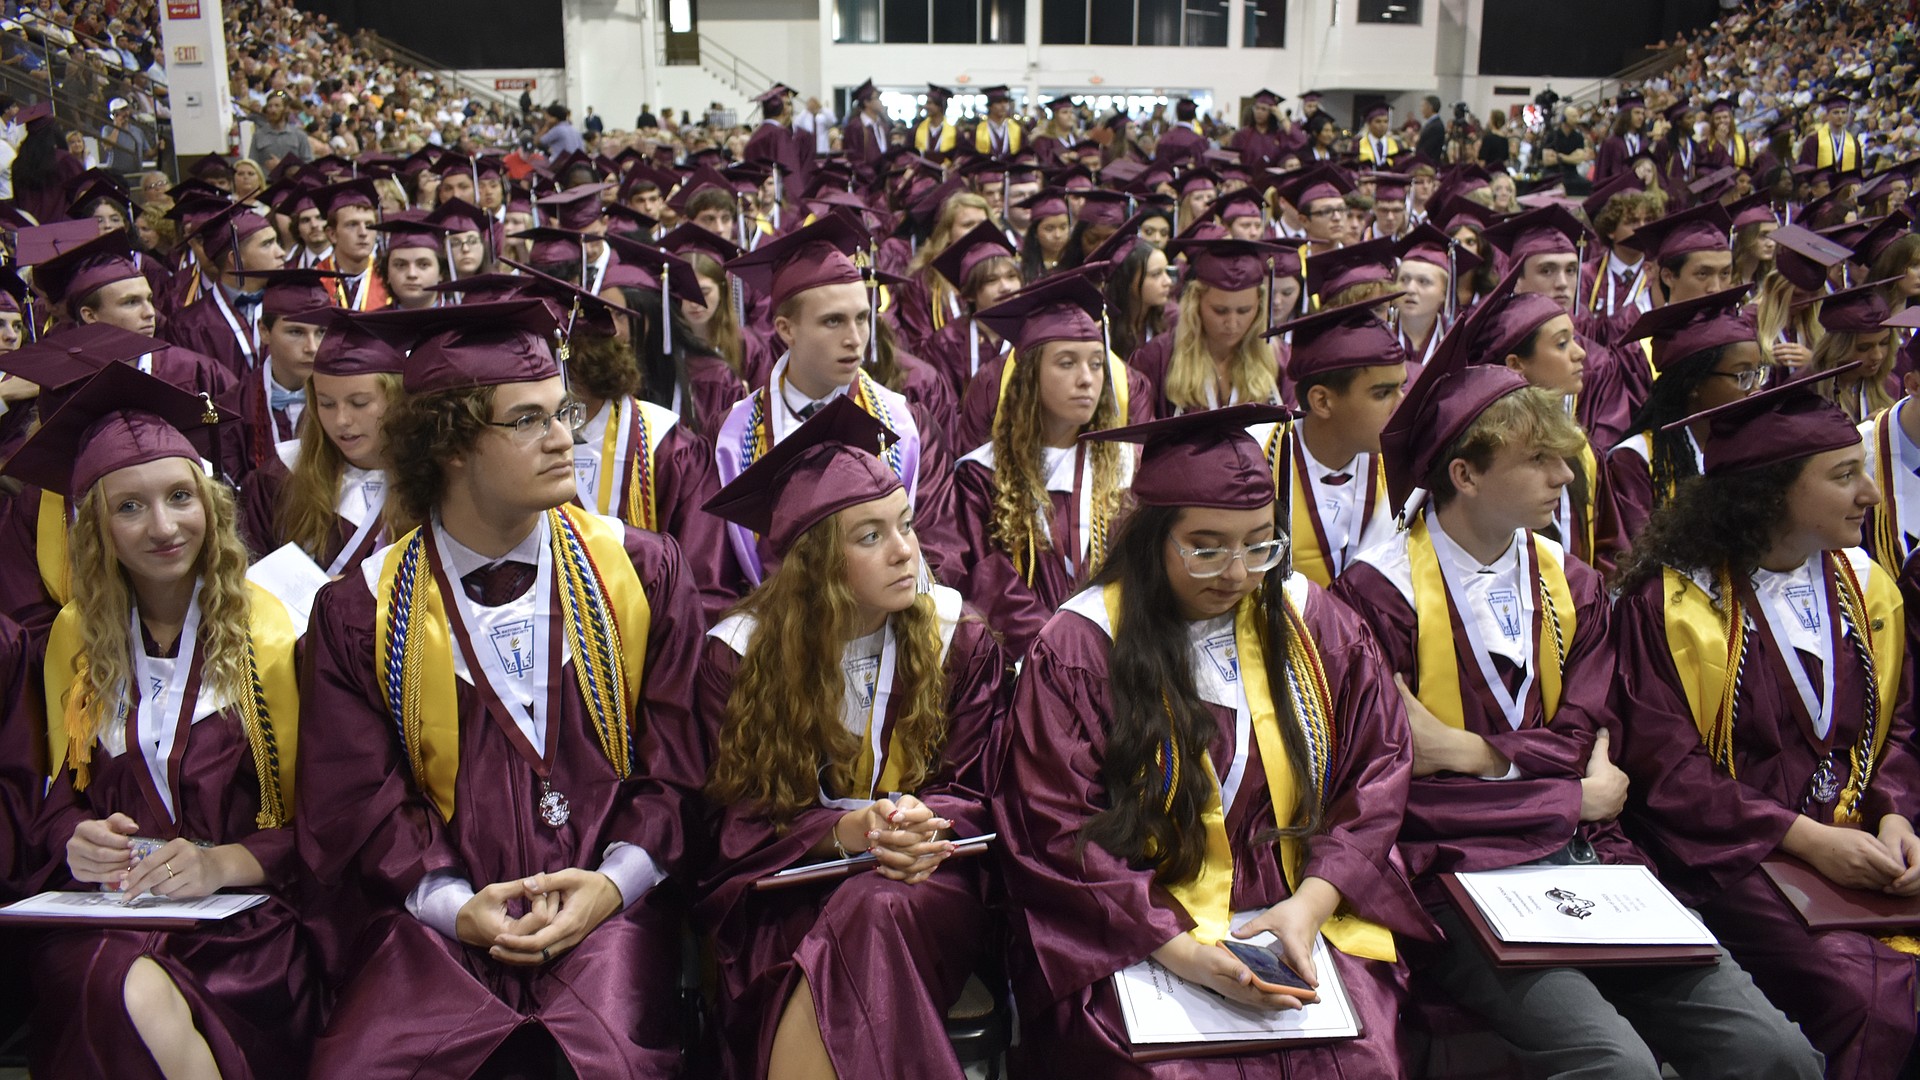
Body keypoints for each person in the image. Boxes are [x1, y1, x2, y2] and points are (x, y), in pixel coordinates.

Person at [1333, 314, 1824, 1080]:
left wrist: (1469, 754)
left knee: (1775, 1052)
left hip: (1592, 859)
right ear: (1464, 475)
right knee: (1616, 1065)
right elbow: (1402, 790)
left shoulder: (1577, 584)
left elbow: (1590, 739)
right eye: (1539, 462)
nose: (1566, 479)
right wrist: (1569, 798)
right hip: (1453, 876)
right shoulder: (1372, 598)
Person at [297, 299, 706, 1077]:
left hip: (606, 913)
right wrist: (458, 907)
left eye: (564, 413)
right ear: (450, 444)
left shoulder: (644, 572)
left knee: (601, 1059)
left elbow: (681, 766)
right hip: (440, 928)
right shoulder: (361, 611)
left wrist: (612, 886)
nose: (566, 439)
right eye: (528, 420)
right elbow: (357, 804)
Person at [996, 402, 1433, 1076]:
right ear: (1153, 540)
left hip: (1296, 911)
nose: (1236, 572)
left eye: (1260, 543)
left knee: (1362, 1062)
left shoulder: (1316, 626)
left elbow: (1376, 774)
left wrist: (1308, 907)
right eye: (1206, 547)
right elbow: (1056, 828)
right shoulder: (1081, 647)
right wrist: (1180, 949)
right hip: (1135, 930)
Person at [1612, 367, 1920, 1078]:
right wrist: (1805, 838)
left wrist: (1898, 816)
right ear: (1771, 492)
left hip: (1862, 840)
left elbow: (1897, 730)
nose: (1870, 495)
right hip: (1738, 856)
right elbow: (1671, 776)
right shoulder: (1673, 605)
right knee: (1866, 996)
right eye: (1845, 476)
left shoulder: (1866, 584)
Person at [15, 364, 318, 1080]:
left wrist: (222, 863)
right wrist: (76, 841)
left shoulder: (284, 629)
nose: (163, 527)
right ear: (95, 527)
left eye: (181, 497)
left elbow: (330, 817)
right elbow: (60, 799)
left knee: (114, 986)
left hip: (248, 922)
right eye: (129, 508)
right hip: (112, 913)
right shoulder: (73, 639)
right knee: (100, 972)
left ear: (210, 504)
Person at [696, 397, 1009, 1080]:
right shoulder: (738, 658)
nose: (905, 550)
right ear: (815, 566)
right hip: (786, 890)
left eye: (904, 523)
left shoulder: (959, 638)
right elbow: (731, 830)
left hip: (926, 880)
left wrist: (916, 822)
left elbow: (978, 789)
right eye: (869, 536)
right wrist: (846, 832)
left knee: (879, 903)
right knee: (846, 920)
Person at [713, 216, 961, 589]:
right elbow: (714, 574)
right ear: (785, 329)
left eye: (862, 319)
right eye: (833, 321)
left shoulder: (908, 426)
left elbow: (942, 548)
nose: (855, 338)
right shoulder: (732, 437)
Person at [950, 275, 1128, 653]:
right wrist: (1059, 652)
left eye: (1097, 365)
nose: (1087, 379)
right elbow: (991, 584)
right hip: (1025, 668)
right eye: (1067, 363)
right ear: (1030, 375)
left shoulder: (1129, 466)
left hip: (1119, 660)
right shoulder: (982, 476)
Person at [1602, 287, 1770, 571]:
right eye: (1742, 376)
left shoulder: (1754, 448)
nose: (1755, 390)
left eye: (1759, 374)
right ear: (1693, 384)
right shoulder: (1635, 460)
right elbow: (1633, 561)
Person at [1252, 298, 1406, 586]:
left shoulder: (1408, 470)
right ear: (1322, 401)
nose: (1401, 404)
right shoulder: (1253, 460)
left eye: (1402, 387)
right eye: (1383, 393)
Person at [240, 311, 407, 577]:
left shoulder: (433, 482)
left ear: (397, 400)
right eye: (326, 404)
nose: (341, 420)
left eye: (359, 403)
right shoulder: (280, 478)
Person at [1131, 237, 1284, 417]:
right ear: (1196, 303)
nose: (1232, 323)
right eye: (1220, 311)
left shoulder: (1279, 359)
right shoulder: (1156, 358)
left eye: (1244, 311)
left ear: (1259, 306)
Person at [167, 201, 290, 379]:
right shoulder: (188, 325)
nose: (281, 253)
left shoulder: (290, 306)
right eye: (267, 244)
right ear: (235, 258)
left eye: (276, 242)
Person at [921, 220, 1022, 400]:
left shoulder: (1033, 333)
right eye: (991, 280)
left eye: (1012, 276)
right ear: (969, 294)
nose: (1006, 287)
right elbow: (944, 408)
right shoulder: (946, 342)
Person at [312, 178, 385, 311]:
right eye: (352, 225)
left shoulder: (387, 279)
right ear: (332, 234)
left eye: (369, 225)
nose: (363, 232)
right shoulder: (314, 280)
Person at [1799, 92, 1864, 171]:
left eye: (1844, 112)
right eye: (1836, 112)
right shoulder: (1814, 140)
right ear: (1827, 115)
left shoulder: (1854, 143)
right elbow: (1806, 168)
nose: (1840, 116)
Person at [1595, 92, 1650, 183]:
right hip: (1616, 192)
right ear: (1626, 115)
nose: (1641, 117)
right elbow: (1602, 174)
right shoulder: (1611, 143)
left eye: (1642, 113)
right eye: (1637, 113)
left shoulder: (1643, 143)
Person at [249, 90, 309, 172]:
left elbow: (308, 165)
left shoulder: (299, 135)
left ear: (286, 109)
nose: (273, 110)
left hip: (292, 182)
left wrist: (282, 166)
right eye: (269, 106)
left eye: (277, 106)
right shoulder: (258, 135)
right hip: (267, 183)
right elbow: (252, 165)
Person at [842, 81, 889, 177]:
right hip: (864, 181)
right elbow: (853, 158)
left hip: (883, 178)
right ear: (866, 102)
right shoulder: (855, 127)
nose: (880, 102)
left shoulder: (883, 125)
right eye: (877, 98)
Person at [1416, 95, 1447, 163]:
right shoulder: (1431, 124)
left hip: (1428, 165)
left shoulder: (1435, 126)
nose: (1421, 109)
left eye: (1422, 106)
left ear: (1430, 107)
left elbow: (1427, 150)